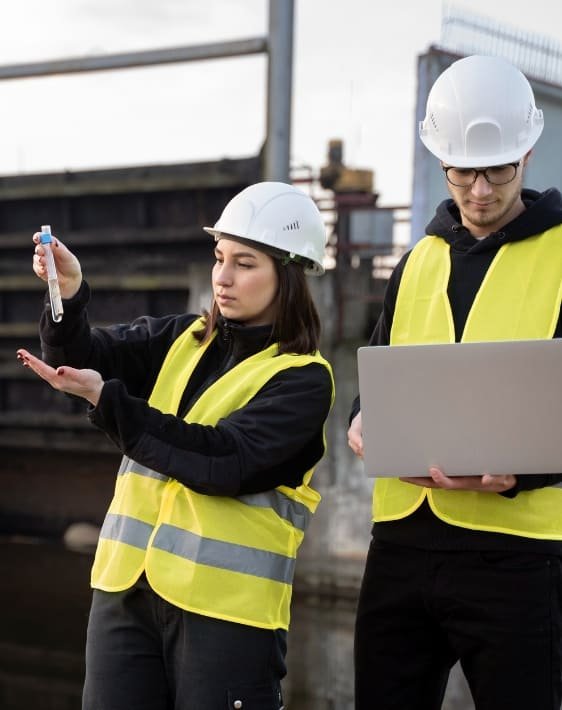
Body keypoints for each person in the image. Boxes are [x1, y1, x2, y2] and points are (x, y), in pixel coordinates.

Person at [17, 181, 335, 710]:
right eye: (219, 258)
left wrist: (108, 401)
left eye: (245, 263)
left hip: (226, 617)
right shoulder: (180, 339)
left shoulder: (303, 380)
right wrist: (68, 295)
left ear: (291, 273)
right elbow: (82, 356)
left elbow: (223, 460)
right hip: (125, 594)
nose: (223, 278)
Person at [348, 55, 562, 710]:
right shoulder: (416, 260)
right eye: (463, 171)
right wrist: (363, 418)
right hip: (403, 547)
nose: (478, 190)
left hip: (520, 556)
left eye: (496, 170)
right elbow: (386, 362)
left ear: (527, 153)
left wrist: (522, 474)